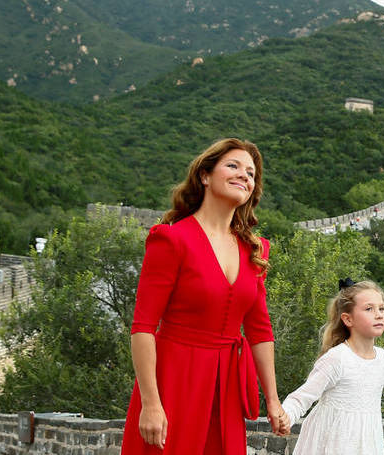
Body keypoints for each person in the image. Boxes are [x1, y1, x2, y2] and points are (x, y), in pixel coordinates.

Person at [122, 138, 290, 455]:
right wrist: (151, 403)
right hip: (174, 381)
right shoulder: (170, 240)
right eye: (233, 166)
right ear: (205, 175)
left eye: (251, 173)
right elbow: (143, 326)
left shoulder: (256, 251)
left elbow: (259, 331)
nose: (244, 175)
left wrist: (273, 399)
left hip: (225, 389)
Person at [282, 279, 384, 455]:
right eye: (369, 309)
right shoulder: (337, 358)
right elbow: (303, 397)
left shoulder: (381, 357)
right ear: (348, 319)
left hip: (366, 442)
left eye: (381, 309)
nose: (379, 314)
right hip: (333, 442)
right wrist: (285, 417)